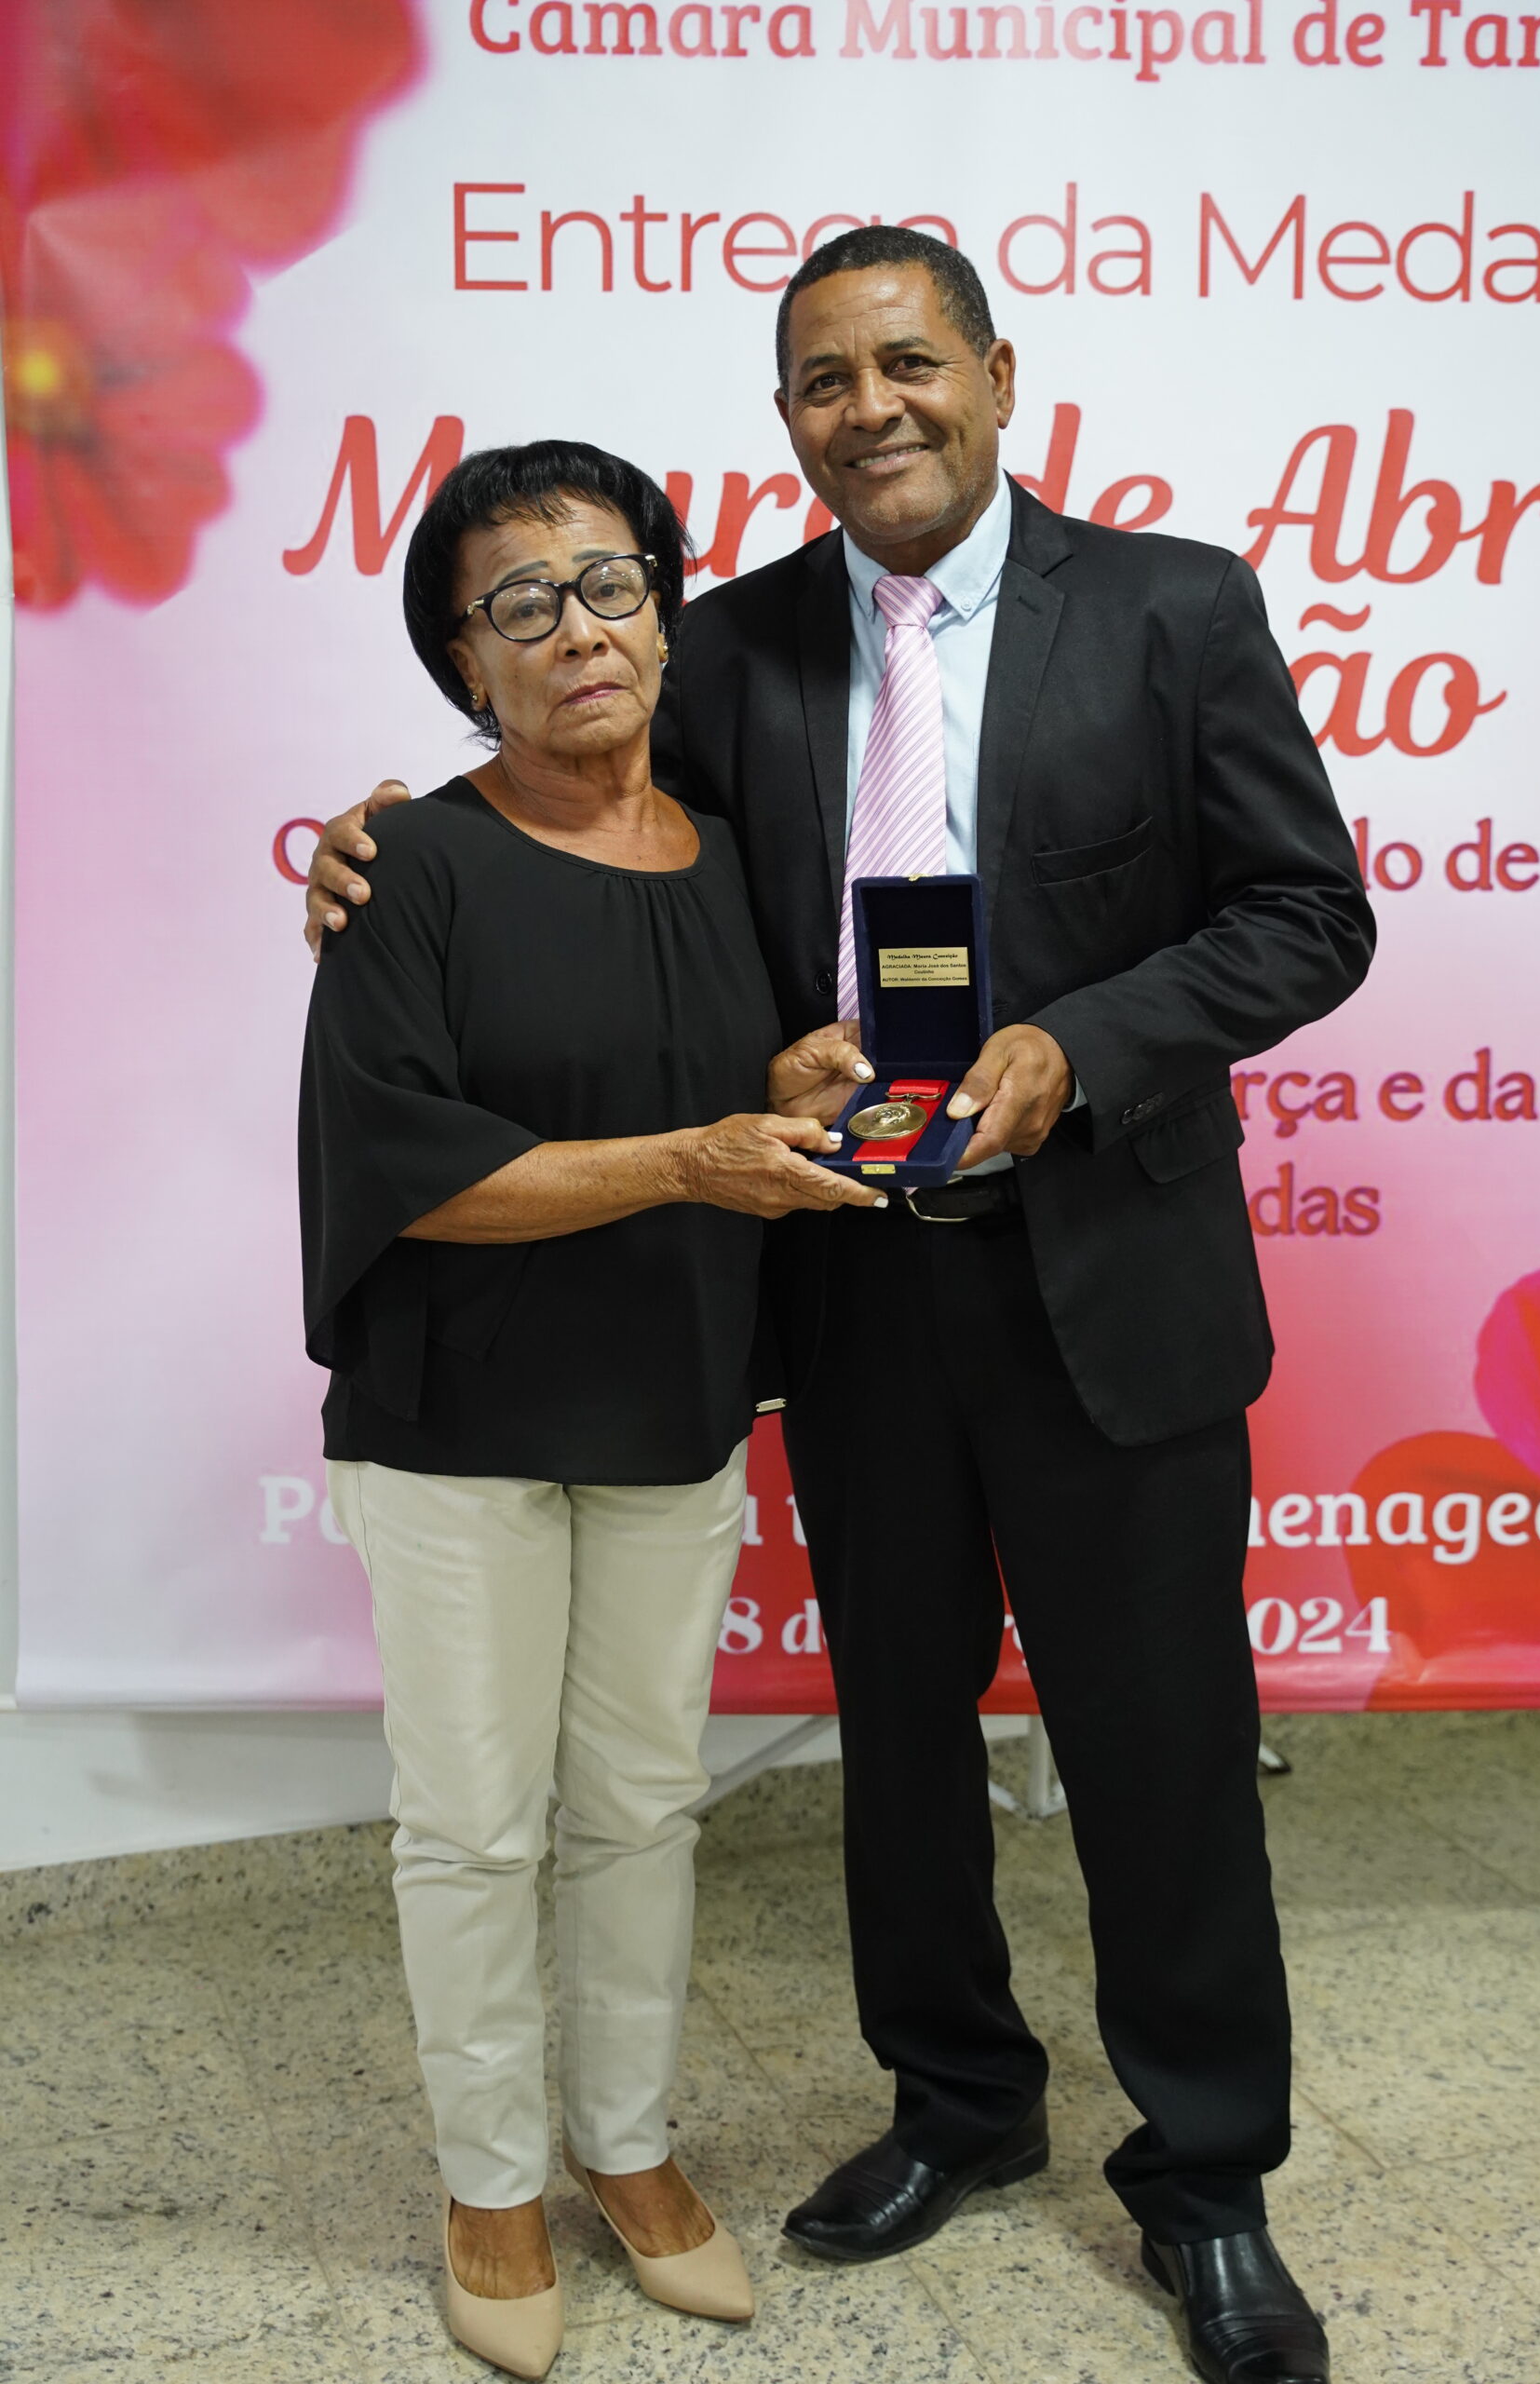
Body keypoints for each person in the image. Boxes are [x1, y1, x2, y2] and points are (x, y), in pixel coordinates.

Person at [304, 231, 1375, 2384]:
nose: (868, 405)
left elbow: (1301, 913)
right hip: (845, 1269)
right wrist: (373, 836)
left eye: (906, 362)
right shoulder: (729, 643)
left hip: (1111, 1273)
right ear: (783, 416)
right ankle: (957, 2101)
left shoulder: (1170, 608)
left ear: (994, 373)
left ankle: (1203, 2174)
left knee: (1159, 1740)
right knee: (893, 1725)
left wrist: (1080, 1040)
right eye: (820, 378)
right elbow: (583, 808)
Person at [299, 438, 883, 2380]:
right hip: (454, 1421)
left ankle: (623, 2144)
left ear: (664, 611)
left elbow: (718, 1090)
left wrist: (779, 1095)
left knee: (640, 1804)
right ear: (465, 661)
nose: (579, 630)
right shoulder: (409, 868)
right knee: (476, 1827)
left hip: (670, 1399)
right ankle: (486, 2180)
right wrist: (691, 1159)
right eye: (521, 603)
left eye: (611, 583)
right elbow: (414, 1175)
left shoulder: (727, 853)